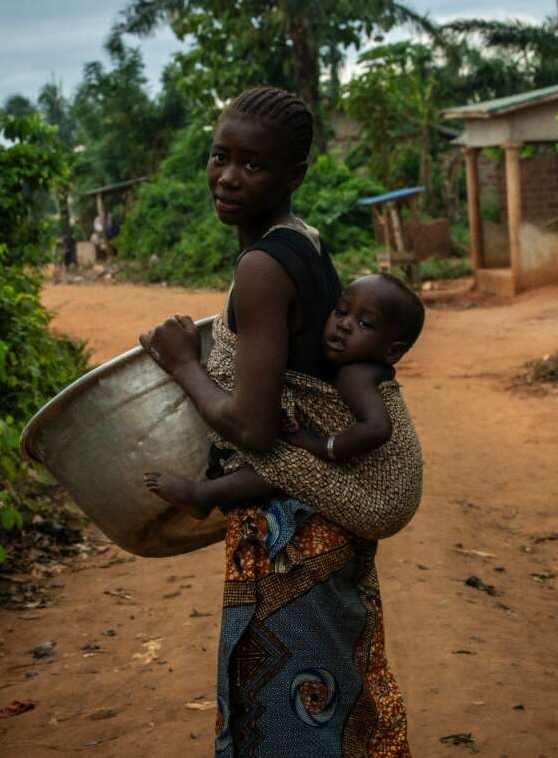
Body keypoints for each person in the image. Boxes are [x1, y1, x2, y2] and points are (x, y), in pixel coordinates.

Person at [139, 87, 412, 756]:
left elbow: (254, 429)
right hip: (323, 524)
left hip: (290, 533)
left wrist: (183, 365)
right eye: (219, 155)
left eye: (252, 165)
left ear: (293, 175)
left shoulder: (262, 267)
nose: (228, 176)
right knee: (334, 711)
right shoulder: (303, 242)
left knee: (288, 725)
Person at [143, 272, 425, 517]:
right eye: (341, 311)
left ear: (392, 352)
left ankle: (204, 495)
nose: (344, 324)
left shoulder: (356, 375)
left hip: (382, 501)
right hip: (395, 499)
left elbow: (378, 429)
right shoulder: (363, 369)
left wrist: (320, 446)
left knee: (289, 460)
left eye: (365, 324)